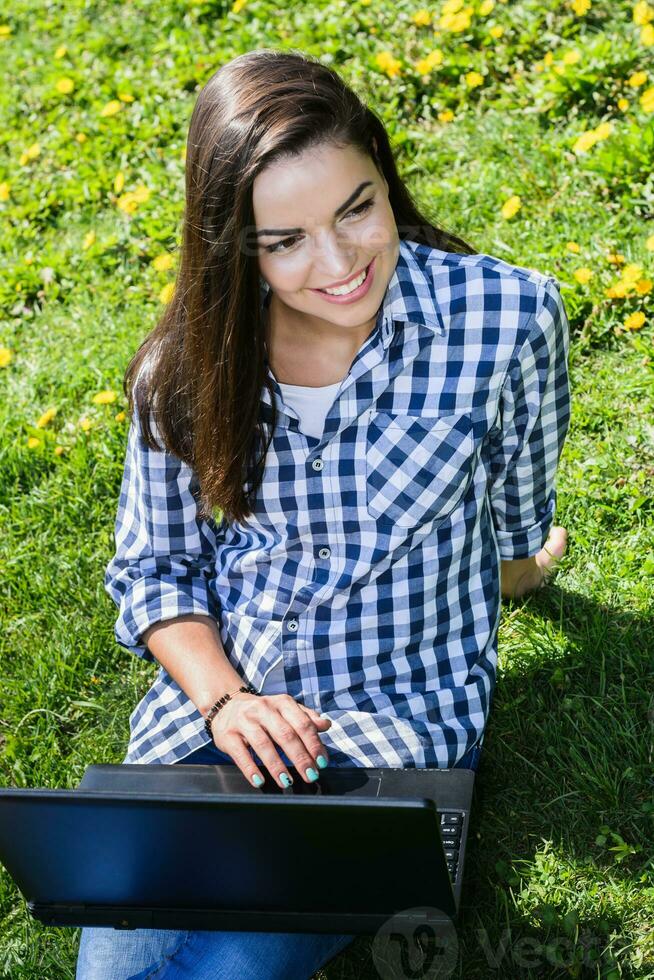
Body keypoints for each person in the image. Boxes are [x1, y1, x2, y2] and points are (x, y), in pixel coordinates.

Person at [75, 47, 571, 980]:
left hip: (394, 719)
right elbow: (154, 572)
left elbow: (514, 517)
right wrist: (227, 702)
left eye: (358, 209)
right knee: (117, 959)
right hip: (219, 713)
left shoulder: (511, 321)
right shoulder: (181, 371)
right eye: (285, 240)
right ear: (235, 245)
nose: (340, 264)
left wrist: (523, 572)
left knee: (229, 966)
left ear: (386, 180)